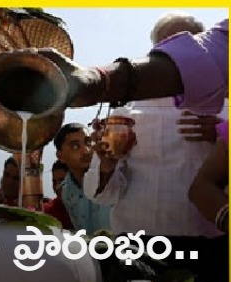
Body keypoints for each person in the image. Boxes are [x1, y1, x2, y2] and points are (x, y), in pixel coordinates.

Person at [84, 12, 225, 239]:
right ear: (155, 53)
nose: (179, 56)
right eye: (170, 46)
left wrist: (221, 133)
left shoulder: (223, 110)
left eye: (188, 44)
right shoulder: (124, 116)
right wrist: (106, 166)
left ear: (204, 52)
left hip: (206, 244)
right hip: (137, 244)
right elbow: (102, 196)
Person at [15, 18, 228, 115]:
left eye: (182, 41)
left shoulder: (219, 109)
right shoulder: (126, 111)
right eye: (165, 45)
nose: (173, 53)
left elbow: (207, 60)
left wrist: (216, 133)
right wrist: (95, 81)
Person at [54, 123, 111, 234]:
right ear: (60, 156)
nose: (86, 150)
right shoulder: (67, 192)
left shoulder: (109, 177)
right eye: (75, 146)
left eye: (88, 142)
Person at [42, 160, 73, 230]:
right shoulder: (50, 210)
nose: (57, 186)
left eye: (62, 180)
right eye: (54, 181)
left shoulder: (87, 207)